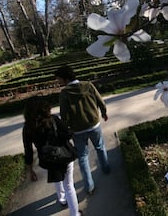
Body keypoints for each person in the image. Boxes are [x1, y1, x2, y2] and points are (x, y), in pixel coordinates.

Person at [55, 65, 110, 196]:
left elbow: (64, 114)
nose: (59, 82)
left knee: (83, 157)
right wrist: (104, 112)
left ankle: (89, 186)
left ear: (66, 78)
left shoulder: (64, 93)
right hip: (94, 124)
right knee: (100, 147)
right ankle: (106, 169)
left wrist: (67, 127)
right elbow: (100, 100)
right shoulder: (88, 85)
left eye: (59, 79)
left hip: (77, 130)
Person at [22, 96, 83, 216]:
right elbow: (67, 133)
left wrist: (30, 170)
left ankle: (61, 199)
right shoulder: (53, 120)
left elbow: (28, 151)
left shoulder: (27, 128)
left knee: (56, 177)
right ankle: (75, 214)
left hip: (47, 160)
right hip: (64, 156)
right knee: (69, 185)